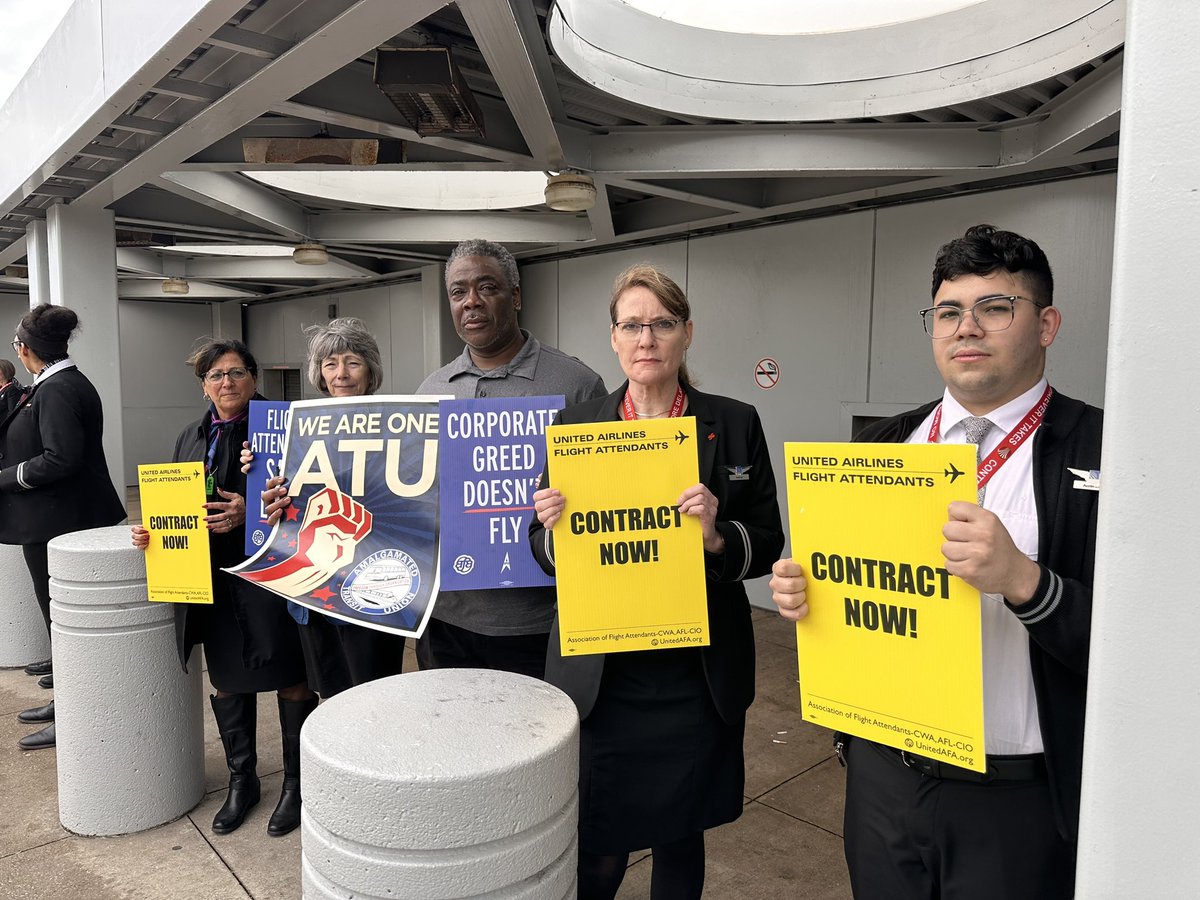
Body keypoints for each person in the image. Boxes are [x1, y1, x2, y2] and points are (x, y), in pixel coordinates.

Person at [769, 224, 1102, 899]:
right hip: (883, 778)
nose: (966, 328)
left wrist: (1024, 582)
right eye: (948, 312)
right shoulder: (883, 441)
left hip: (1017, 796)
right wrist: (806, 591)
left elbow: (1153, 648)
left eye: (996, 308)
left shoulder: (1103, 451)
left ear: (1046, 325)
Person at [529, 264, 784, 899]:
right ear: (614, 339)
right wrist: (554, 535)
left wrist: (718, 537)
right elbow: (540, 548)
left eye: (662, 324)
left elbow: (768, 540)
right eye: (632, 325)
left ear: (686, 334)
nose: (647, 338)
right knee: (599, 852)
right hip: (607, 677)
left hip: (693, 675)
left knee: (680, 840)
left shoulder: (735, 421)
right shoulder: (574, 427)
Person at [132, 339, 314, 837]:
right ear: (203, 385)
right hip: (209, 575)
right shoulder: (191, 436)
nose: (226, 382)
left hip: (270, 573)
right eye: (215, 375)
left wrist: (248, 512)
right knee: (227, 678)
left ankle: (297, 785)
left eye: (236, 372)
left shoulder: (286, 428)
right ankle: (243, 781)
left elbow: (317, 499)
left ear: (253, 378)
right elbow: (173, 502)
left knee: (290, 674)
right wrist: (153, 532)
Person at [415, 239, 607, 677]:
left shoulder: (577, 385)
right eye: (458, 292)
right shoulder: (431, 391)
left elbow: (604, 499)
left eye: (488, 287)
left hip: (541, 621)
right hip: (447, 620)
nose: (472, 302)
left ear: (516, 296)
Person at [252, 318, 407, 697]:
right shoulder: (294, 428)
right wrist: (260, 478)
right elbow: (271, 507)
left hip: (375, 590)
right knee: (329, 695)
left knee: (374, 696)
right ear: (319, 373)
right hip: (313, 593)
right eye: (330, 364)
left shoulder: (403, 425)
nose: (342, 374)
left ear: (371, 369)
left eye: (353, 362)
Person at [0, 305, 126, 751]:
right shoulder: (55, 384)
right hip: (56, 520)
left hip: (62, 522)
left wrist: (6, 478)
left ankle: (74, 713)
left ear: (25, 349)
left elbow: (61, 458)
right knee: (59, 625)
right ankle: (67, 700)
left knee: (64, 624)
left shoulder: (57, 389)